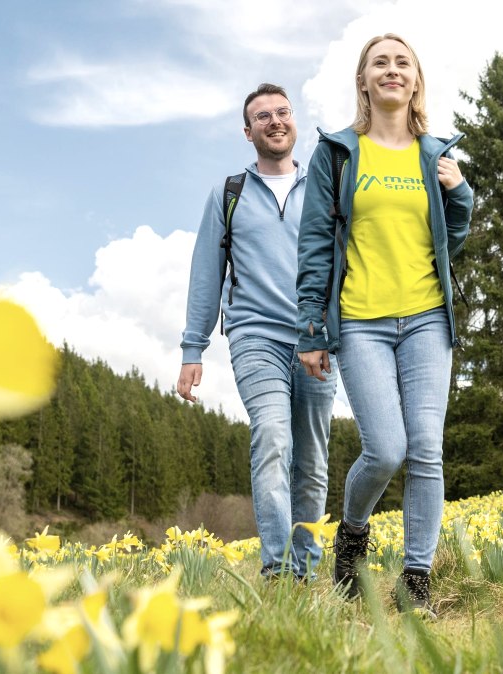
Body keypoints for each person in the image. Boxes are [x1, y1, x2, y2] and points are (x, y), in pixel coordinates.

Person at [295, 33, 472, 615]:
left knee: (427, 451)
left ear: (416, 81)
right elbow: (317, 245)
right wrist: (312, 331)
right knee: (387, 449)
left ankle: (415, 580)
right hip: (362, 322)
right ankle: (353, 532)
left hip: (426, 320)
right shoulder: (338, 154)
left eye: (403, 63)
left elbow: (452, 240)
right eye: (380, 63)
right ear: (364, 81)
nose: (392, 70)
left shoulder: (437, 155)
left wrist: (461, 194)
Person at [180, 83, 337, 582]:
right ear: (248, 132)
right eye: (262, 116)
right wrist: (192, 348)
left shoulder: (324, 188)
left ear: (294, 120)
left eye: (282, 112)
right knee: (272, 435)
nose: (274, 121)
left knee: (311, 460)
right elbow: (207, 274)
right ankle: (275, 569)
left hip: (316, 337)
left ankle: (305, 573)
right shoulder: (228, 195)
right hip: (254, 335)